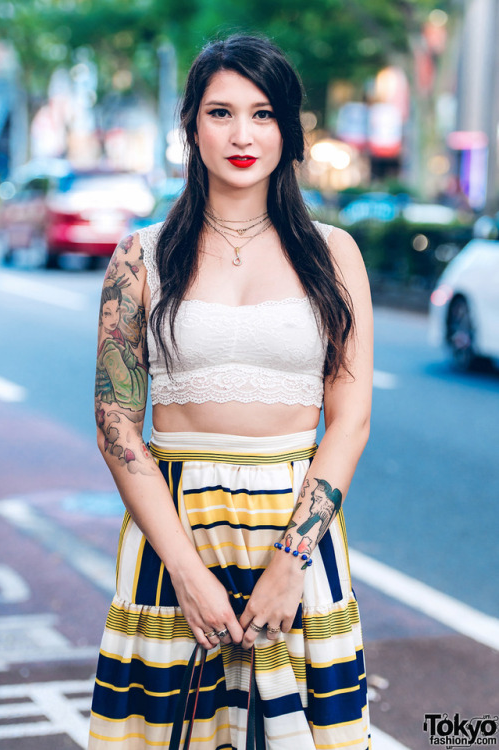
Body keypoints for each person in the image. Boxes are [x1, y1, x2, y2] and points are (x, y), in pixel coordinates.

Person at [89, 33, 373, 750]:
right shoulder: (141, 256)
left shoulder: (333, 253)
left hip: (296, 531)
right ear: (191, 124)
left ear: (290, 129)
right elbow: (117, 424)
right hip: (173, 530)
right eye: (221, 112)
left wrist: (290, 564)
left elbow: (350, 418)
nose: (242, 134)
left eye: (263, 113)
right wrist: (183, 570)